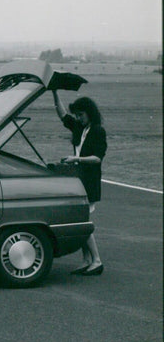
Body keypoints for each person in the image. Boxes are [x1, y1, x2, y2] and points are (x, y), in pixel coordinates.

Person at [53, 91, 106, 276]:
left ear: (89, 113)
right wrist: (54, 92)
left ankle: (97, 261)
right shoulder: (79, 128)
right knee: (80, 220)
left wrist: (76, 159)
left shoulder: (98, 131)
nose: (78, 118)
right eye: (77, 115)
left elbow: (97, 158)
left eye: (81, 115)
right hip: (79, 180)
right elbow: (62, 114)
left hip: (89, 182)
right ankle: (87, 260)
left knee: (81, 221)